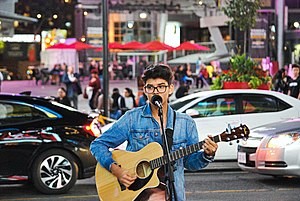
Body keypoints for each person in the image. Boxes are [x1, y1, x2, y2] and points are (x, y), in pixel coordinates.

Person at [90, 64, 218, 201]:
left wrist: (206, 154)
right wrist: (117, 170)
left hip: (173, 195)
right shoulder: (132, 118)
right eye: (150, 87)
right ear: (145, 90)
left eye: (161, 86)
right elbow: (97, 145)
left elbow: (190, 163)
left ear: (170, 89)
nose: (156, 91)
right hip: (137, 195)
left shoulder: (186, 123)